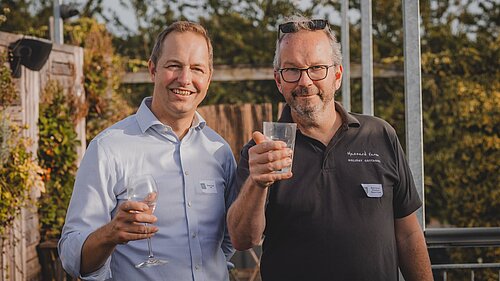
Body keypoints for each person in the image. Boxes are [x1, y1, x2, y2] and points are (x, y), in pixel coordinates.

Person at [227, 15, 433, 281]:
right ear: (278, 81)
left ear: (337, 75)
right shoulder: (263, 152)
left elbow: (407, 233)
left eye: (316, 68)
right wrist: (257, 184)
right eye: (292, 70)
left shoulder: (379, 134)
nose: (305, 81)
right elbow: (243, 240)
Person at [59, 21, 237, 280]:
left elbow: (227, 241)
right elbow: (72, 258)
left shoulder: (219, 150)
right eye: (174, 65)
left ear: (208, 79)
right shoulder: (109, 147)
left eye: (196, 69)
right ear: (153, 69)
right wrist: (111, 233)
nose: (185, 79)